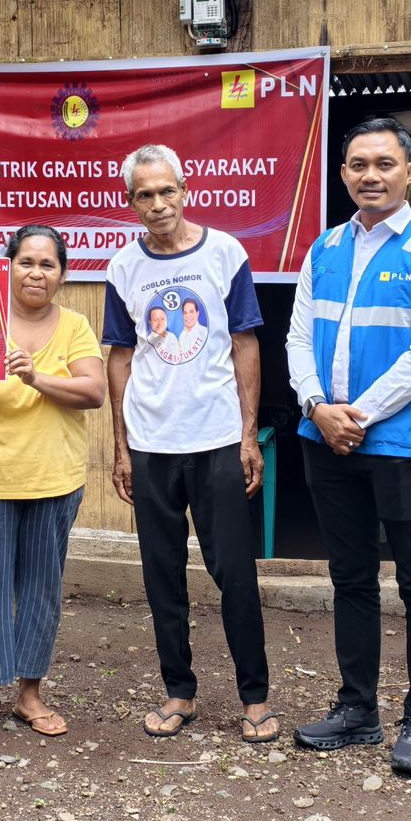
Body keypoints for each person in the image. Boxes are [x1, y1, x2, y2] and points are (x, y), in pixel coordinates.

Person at [285, 118, 411, 776]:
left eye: (384, 164)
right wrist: (316, 408)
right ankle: (357, 710)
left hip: (405, 445)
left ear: (410, 172)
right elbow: (298, 337)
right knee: (351, 578)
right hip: (327, 440)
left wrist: (354, 415)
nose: (370, 175)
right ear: (343, 174)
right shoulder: (324, 249)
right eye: (358, 164)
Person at [103, 144, 279, 744]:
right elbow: (121, 357)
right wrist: (122, 447)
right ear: (130, 203)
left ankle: (254, 697)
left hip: (215, 440)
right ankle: (180, 692)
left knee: (234, 572)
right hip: (152, 444)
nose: (157, 204)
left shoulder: (225, 254)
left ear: (185, 189)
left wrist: (247, 433)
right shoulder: (124, 267)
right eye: (144, 195)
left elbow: (246, 345)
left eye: (166, 191)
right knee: (162, 576)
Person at [0, 226, 106, 746]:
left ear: (63, 274)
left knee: (40, 591)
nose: (36, 272)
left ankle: (29, 692)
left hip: (54, 480)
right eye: (27, 262)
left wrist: (36, 378)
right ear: (8, 266)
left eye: (47, 264)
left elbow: (93, 391)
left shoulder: (75, 326)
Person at [176, 297, 208, 361]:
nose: (188, 316)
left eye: (191, 312)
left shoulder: (204, 332)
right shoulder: (181, 336)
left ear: (197, 313)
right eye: (185, 313)